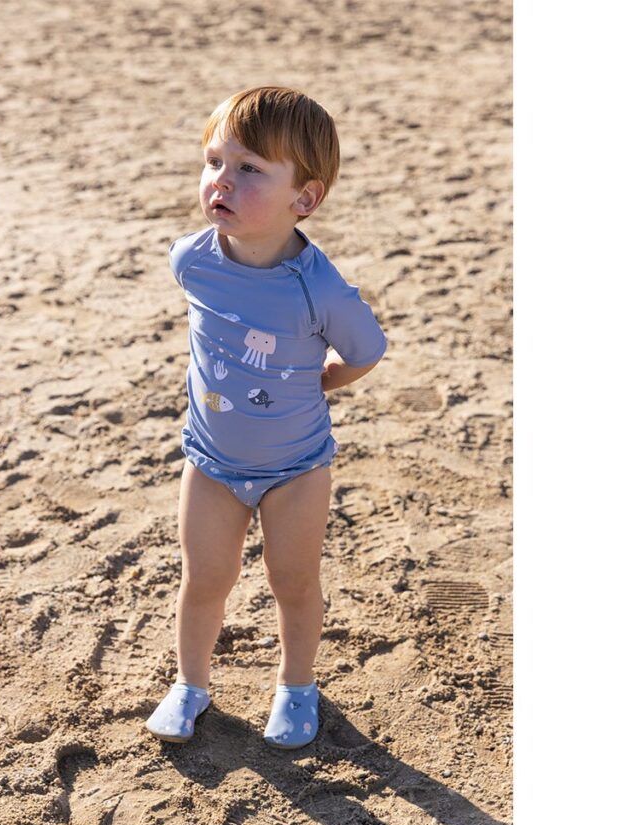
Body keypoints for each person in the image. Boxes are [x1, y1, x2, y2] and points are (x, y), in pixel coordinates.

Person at [145, 86, 387, 749]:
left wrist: (326, 380)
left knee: (294, 581)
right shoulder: (192, 260)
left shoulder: (320, 288)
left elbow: (367, 349)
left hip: (297, 467)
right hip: (211, 462)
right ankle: (191, 684)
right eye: (214, 161)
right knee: (204, 579)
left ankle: (296, 685)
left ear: (303, 198)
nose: (221, 180)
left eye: (249, 168)